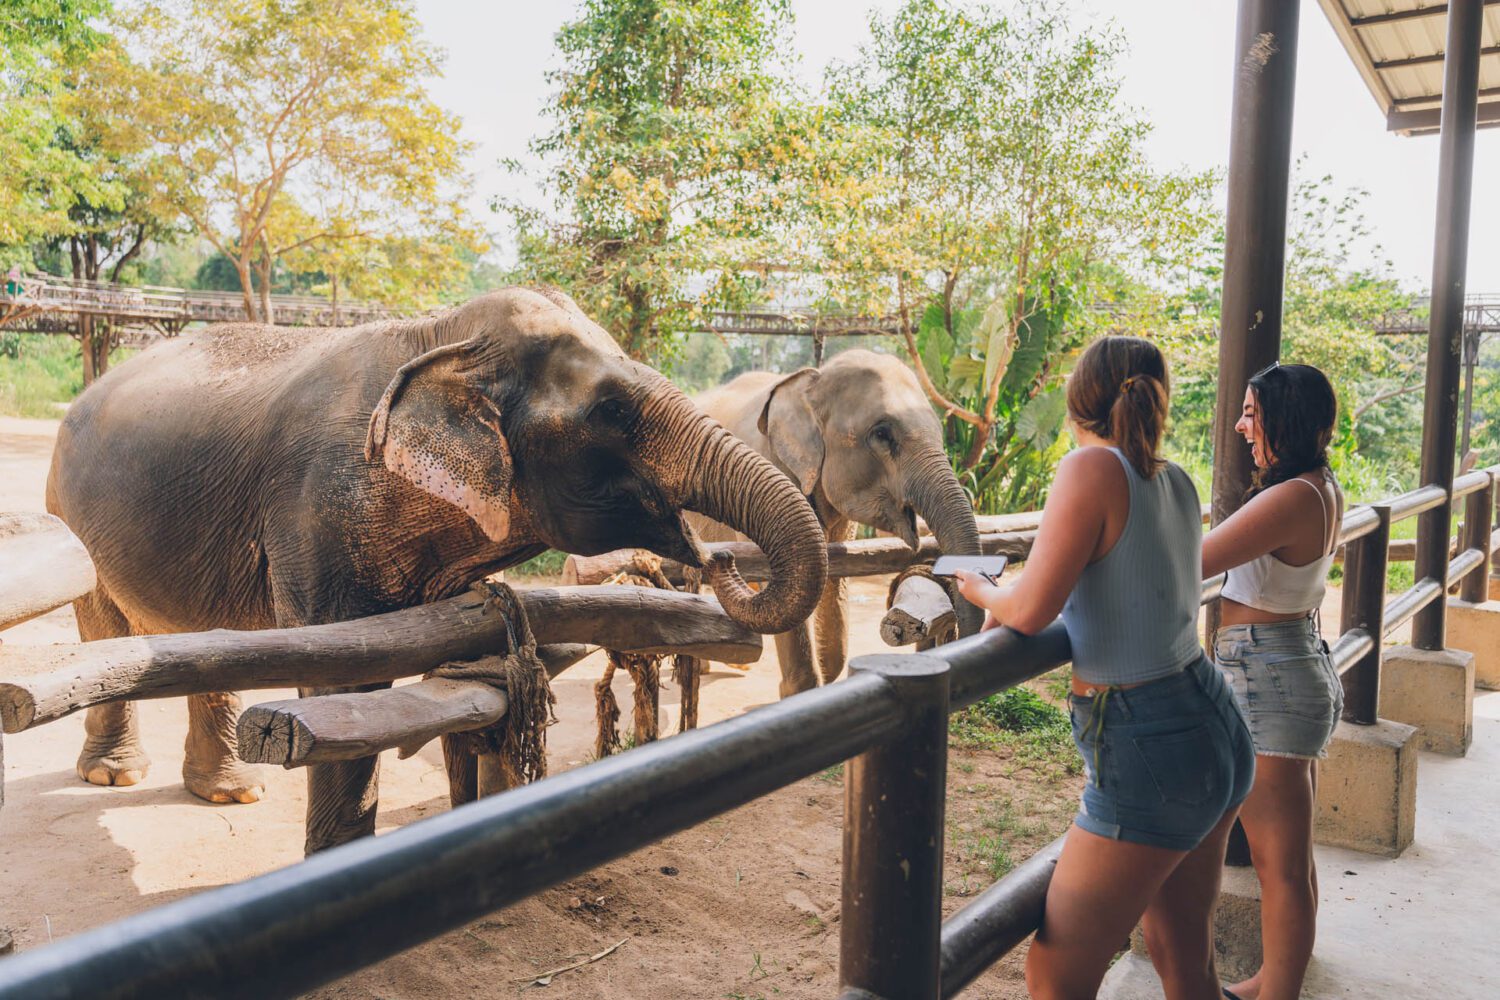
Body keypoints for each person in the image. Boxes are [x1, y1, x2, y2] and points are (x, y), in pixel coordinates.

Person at [956, 335, 1255, 1000]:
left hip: (1148, 744)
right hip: (1213, 723)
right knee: (1187, 962)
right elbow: (1128, 597)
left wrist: (980, 590)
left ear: (1076, 401)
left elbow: (1032, 609)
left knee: (1055, 976)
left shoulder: (1088, 470)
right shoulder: (1174, 479)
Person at [1203, 362, 1343, 1000]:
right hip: (1285, 664)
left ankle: (1278, 994)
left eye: (1253, 413)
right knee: (1291, 859)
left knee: (1277, 865)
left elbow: (1196, 559)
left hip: (1271, 675)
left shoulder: (1289, 497)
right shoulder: (1319, 486)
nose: (1241, 426)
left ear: (1285, 419)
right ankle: (1271, 981)